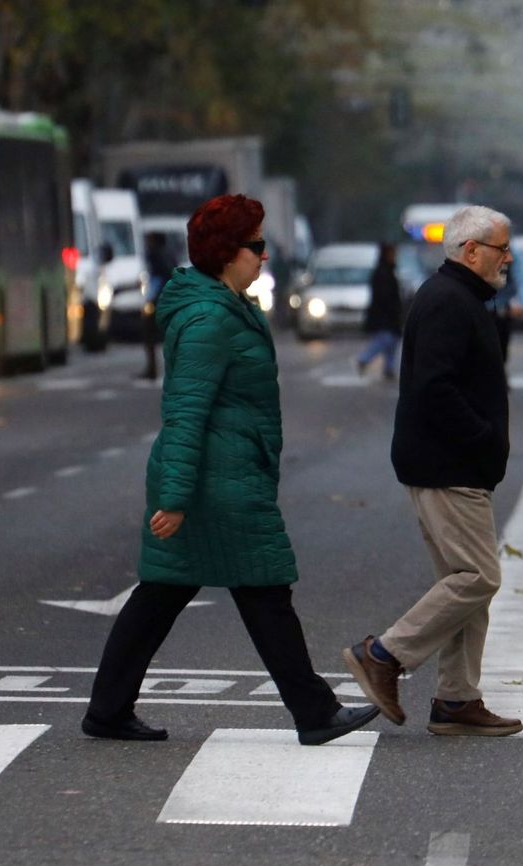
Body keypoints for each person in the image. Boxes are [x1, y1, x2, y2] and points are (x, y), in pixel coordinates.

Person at [83, 194, 378, 746]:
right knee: (264, 587)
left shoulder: (228, 307)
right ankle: (314, 711)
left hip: (224, 472)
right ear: (226, 253)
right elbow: (185, 411)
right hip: (217, 482)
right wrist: (173, 496)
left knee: (162, 594)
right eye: (256, 246)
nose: (264, 256)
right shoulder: (210, 320)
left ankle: (107, 710)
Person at [342, 205, 522, 737]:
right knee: (478, 577)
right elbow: (434, 387)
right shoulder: (449, 300)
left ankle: (456, 700)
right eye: (500, 247)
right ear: (470, 250)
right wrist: (482, 437)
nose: (508, 257)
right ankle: (383, 653)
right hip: (448, 464)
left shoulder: (459, 297)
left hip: (453, 462)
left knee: (463, 581)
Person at [356, 242, 403, 380]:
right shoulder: (383, 273)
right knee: (386, 339)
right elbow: (384, 296)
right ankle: (365, 359)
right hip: (385, 314)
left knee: (392, 341)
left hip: (387, 314)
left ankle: (388, 367)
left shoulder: (387, 271)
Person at [139, 231, 177, 381]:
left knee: (149, 333)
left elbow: (157, 278)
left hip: (158, 300)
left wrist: (151, 299)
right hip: (168, 300)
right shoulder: (169, 255)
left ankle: (152, 369)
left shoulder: (156, 256)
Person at [489, 247, 523, 361]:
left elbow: (520, 280)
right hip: (480, 307)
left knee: (500, 350)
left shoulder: (509, 254)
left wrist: (521, 302)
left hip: (501, 309)